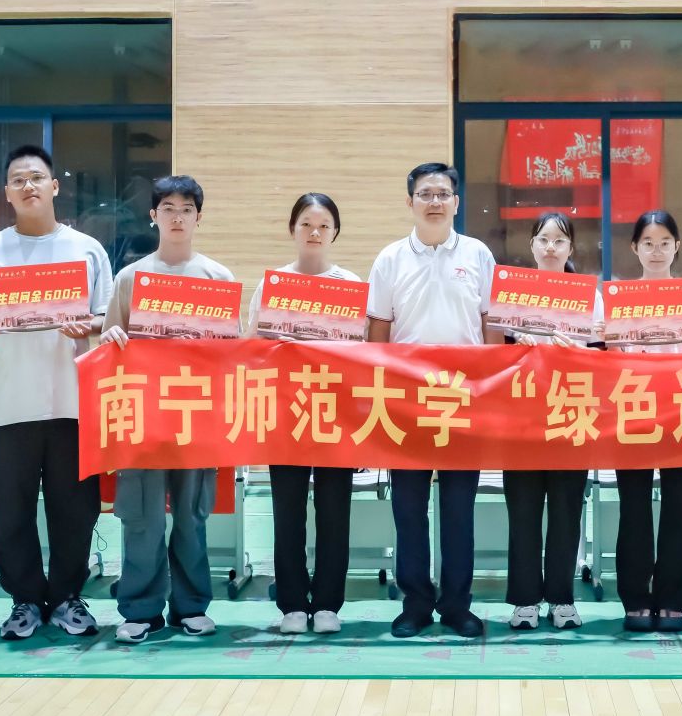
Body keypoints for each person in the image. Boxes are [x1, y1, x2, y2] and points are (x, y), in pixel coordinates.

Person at [0, 145, 113, 642]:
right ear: (7, 192)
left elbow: (107, 321)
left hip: (73, 403)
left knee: (76, 511)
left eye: (37, 177)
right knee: (10, 513)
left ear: (55, 186)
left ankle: (67, 597)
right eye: (18, 180)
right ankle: (24, 600)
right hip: (7, 405)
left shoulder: (86, 249)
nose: (28, 186)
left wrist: (86, 325)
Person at [99, 174, 235, 645]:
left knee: (192, 516)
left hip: (196, 414)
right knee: (143, 516)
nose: (178, 217)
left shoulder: (218, 279)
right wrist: (111, 336)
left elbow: (231, 354)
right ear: (153, 215)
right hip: (143, 417)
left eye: (187, 209)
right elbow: (109, 345)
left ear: (199, 218)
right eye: (169, 209)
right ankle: (140, 609)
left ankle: (191, 607)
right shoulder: (130, 278)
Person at [367, 162, 498, 640]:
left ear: (456, 203)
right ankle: (416, 604)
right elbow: (378, 332)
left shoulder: (479, 254)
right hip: (405, 402)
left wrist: (491, 387)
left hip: (464, 398)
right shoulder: (390, 259)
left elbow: (491, 325)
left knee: (460, 509)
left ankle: (457, 605)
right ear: (410, 202)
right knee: (408, 509)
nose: (435, 201)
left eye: (443, 194)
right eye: (426, 194)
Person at [249, 192, 361, 636]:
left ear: (335, 232)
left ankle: (329, 603)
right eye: (306, 225)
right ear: (292, 229)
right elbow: (252, 346)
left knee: (335, 511)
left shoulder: (349, 284)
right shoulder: (273, 284)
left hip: (335, 412)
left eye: (324, 226)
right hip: (286, 411)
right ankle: (292, 604)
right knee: (287, 510)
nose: (315, 233)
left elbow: (362, 354)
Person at [502, 211, 593, 632]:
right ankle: (525, 601)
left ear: (571, 247)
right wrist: (514, 345)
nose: (551, 247)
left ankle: (561, 599)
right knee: (522, 512)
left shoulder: (589, 296)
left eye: (560, 240)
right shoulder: (513, 294)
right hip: (521, 417)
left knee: (565, 512)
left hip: (571, 414)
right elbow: (494, 353)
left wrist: (578, 351)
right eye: (544, 239)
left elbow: (603, 357)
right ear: (532, 246)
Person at [613, 210, 682, 634]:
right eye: (648, 242)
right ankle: (635, 599)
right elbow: (610, 358)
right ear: (635, 248)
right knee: (634, 508)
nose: (657, 250)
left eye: (665, 242)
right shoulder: (618, 298)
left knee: (679, 507)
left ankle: (673, 600)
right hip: (634, 411)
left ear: (677, 246)